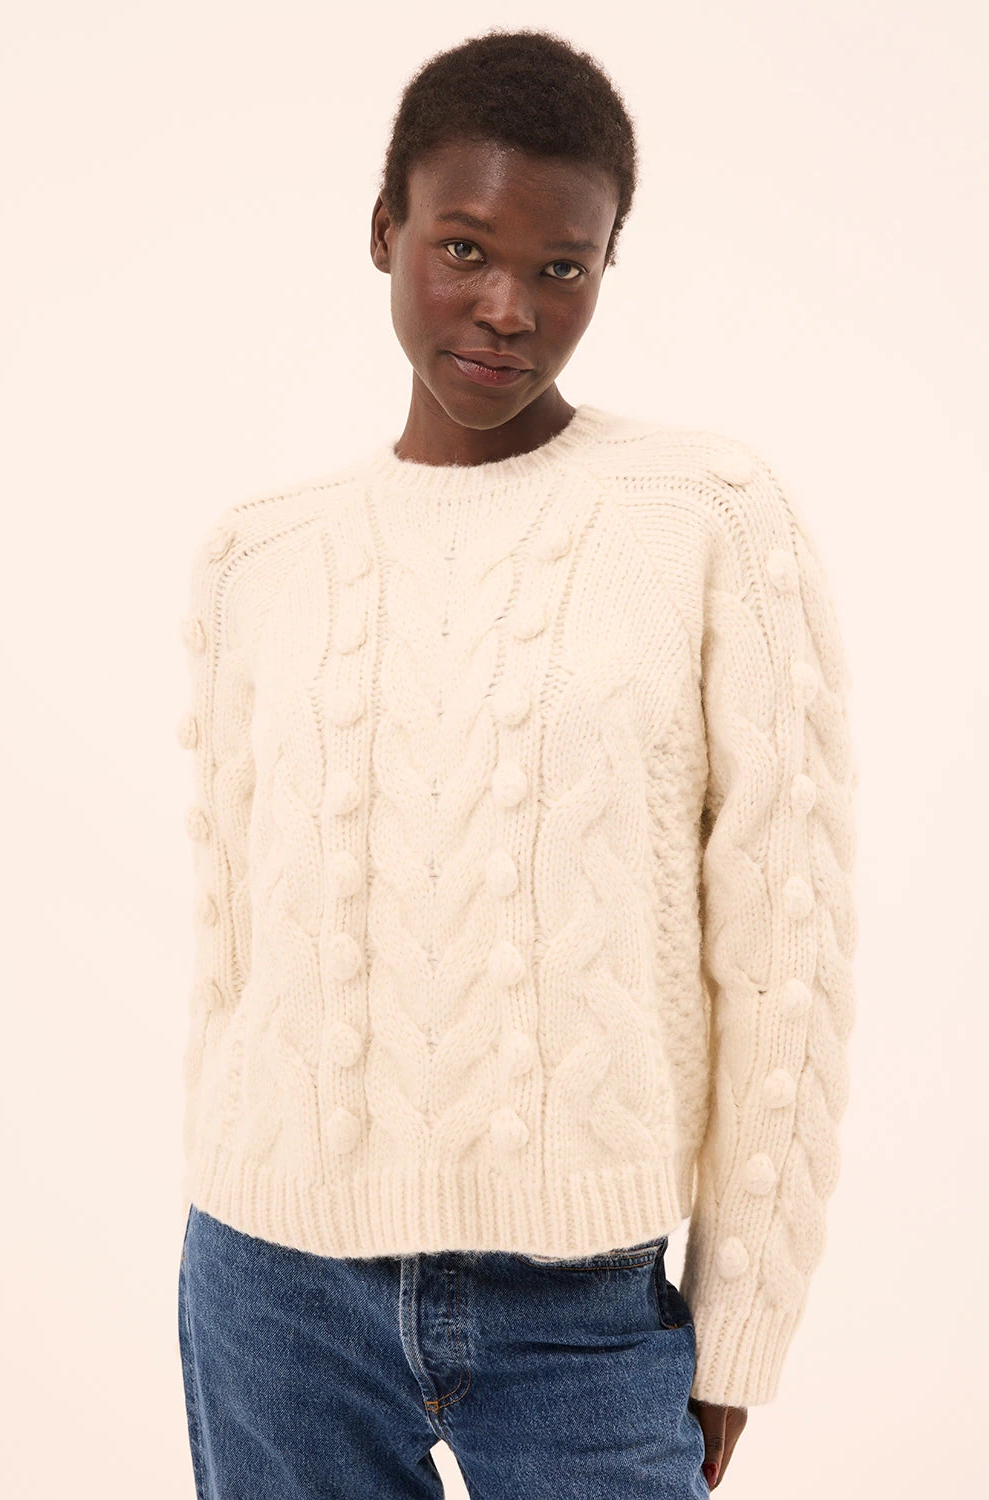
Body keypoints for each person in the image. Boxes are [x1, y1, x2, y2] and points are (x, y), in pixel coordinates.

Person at [175, 26, 858, 1500]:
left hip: (584, 1308)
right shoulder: (256, 557)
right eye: (465, 248)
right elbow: (235, 953)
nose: (508, 308)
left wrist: (744, 1321)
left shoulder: (709, 516)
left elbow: (784, 959)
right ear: (385, 229)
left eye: (563, 267)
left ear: (608, 267)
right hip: (271, 1290)